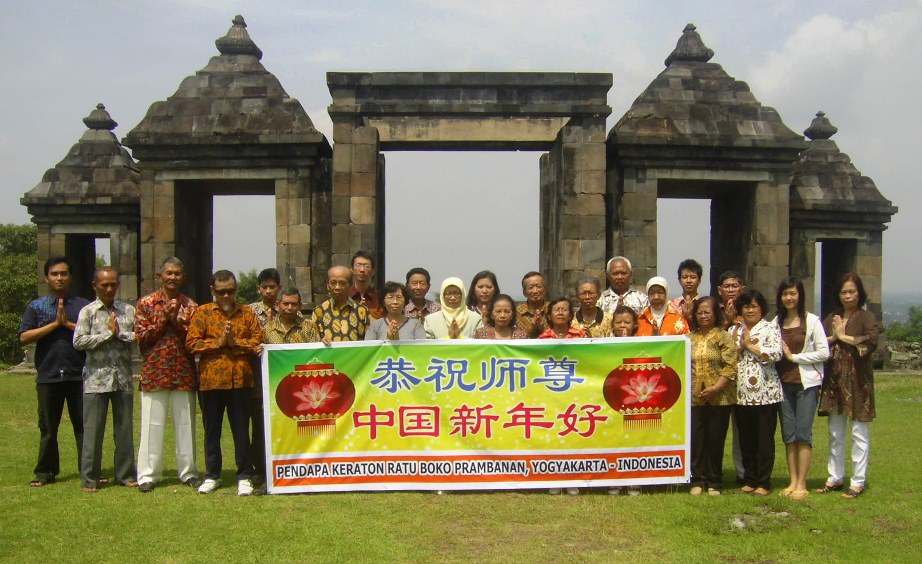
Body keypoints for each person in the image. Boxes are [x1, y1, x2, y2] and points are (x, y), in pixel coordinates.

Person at [186, 270, 262, 496]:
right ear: (213, 291)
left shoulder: (247, 312)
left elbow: (257, 341)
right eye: (221, 292)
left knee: (241, 431)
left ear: (236, 290)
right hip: (211, 381)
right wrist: (218, 343)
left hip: (240, 381)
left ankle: (244, 475)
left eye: (230, 291)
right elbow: (192, 343)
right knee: (212, 431)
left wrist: (234, 342)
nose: (226, 296)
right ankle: (212, 475)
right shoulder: (203, 312)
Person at [19, 256, 90, 487]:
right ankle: (45, 472)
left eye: (63, 274)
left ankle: (88, 471)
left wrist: (67, 324)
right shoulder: (36, 307)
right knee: (48, 428)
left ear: (71, 277)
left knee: (83, 426)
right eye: (54, 274)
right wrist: (54, 325)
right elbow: (24, 336)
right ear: (46, 278)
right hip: (48, 376)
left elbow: (93, 334)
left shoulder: (83, 306)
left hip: (78, 374)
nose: (59, 278)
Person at [134, 257, 201, 493]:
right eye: (169, 273)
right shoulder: (146, 303)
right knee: (151, 425)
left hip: (183, 371)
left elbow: (194, 341)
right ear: (159, 276)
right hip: (155, 370)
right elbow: (141, 338)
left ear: (183, 277)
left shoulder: (190, 306)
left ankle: (188, 472)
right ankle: (147, 475)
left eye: (177, 273)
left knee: (185, 424)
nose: (173, 277)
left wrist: (177, 321)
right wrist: (164, 318)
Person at [72, 267, 137, 492]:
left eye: (113, 285)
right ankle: (90, 478)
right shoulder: (88, 312)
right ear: (95, 286)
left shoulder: (128, 310)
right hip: (96, 379)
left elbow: (139, 336)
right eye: (104, 285)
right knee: (93, 431)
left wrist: (120, 334)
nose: (109, 289)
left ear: (118, 285)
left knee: (124, 430)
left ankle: (125, 475)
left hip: (123, 378)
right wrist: (107, 335)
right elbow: (78, 342)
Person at [816, 272, 878, 500]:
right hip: (835, 381)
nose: (848, 296)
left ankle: (858, 481)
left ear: (859, 293)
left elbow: (871, 341)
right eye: (844, 292)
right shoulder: (833, 317)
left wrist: (842, 336)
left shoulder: (866, 316)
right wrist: (836, 337)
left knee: (859, 433)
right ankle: (835, 477)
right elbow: (819, 342)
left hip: (858, 382)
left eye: (852, 291)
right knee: (835, 432)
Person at [774, 277, 829, 501]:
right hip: (782, 384)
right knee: (789, 435)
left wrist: (794, 357)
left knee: (803, 434)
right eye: (785, 294)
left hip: (806, 384)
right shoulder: (776, 321)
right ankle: (792, 480)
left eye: (793, 293)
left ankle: (802, 483)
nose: (789, 298)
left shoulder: (812, 321)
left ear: (800, 295)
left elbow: (824, 352)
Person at [730, 289, 782, 496]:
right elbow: (728, 356)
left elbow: (776, 354)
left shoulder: (770, 328)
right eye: (746, 307)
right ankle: (749, 478)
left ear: (761, 308)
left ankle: (763, 481)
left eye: (754, 306)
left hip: (766, 393)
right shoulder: (734, 330)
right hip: (741, 394)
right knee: (746, 439)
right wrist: (740, 347)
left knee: (764, 440)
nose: (750, 310)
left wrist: (749, 346)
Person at [688, 296, 737, 496]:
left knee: (716, 439)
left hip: (720, 397)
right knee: (697, 438)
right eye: (699, 312)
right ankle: (697, 479)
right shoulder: (689, 338)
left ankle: (714, 481)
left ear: (716, 314)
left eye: (707, 312)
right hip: (694, 398)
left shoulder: (723, 336)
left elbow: (730, 366)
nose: (703, 316)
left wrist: (716, 388)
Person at [247, 267, 281, 490]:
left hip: (280, 374)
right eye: (265, 287)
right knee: (258, 423)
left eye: (272, 287)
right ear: (258, 289)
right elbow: (244, 337)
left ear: (279, 288)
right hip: (256, 375)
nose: (268, 291)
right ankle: (259, 468)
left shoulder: (288, 309)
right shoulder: (249, 311)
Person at [313, 265, 371, 342]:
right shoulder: (319, 311)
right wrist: (321, 340)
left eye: (342, 283)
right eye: (333, 283)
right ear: (327, 285)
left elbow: (370, 342)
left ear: (350, 285)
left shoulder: (362, 311)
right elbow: (312, 341)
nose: (337, 287)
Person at [350, 250, 384, 319]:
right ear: (352, 269)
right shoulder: (345, 297)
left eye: (366, 266)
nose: (362, 270)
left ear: (373, 271)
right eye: (358, 265)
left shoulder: (380, 298)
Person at [515, 271, 550, 338]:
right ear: (524, 292)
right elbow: (513, 338)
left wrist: (542, 328)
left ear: (545, 290)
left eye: (538, 286)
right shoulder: (516, 312)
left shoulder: (553, 309)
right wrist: (531, 328)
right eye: (531, 287)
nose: (535, 291)